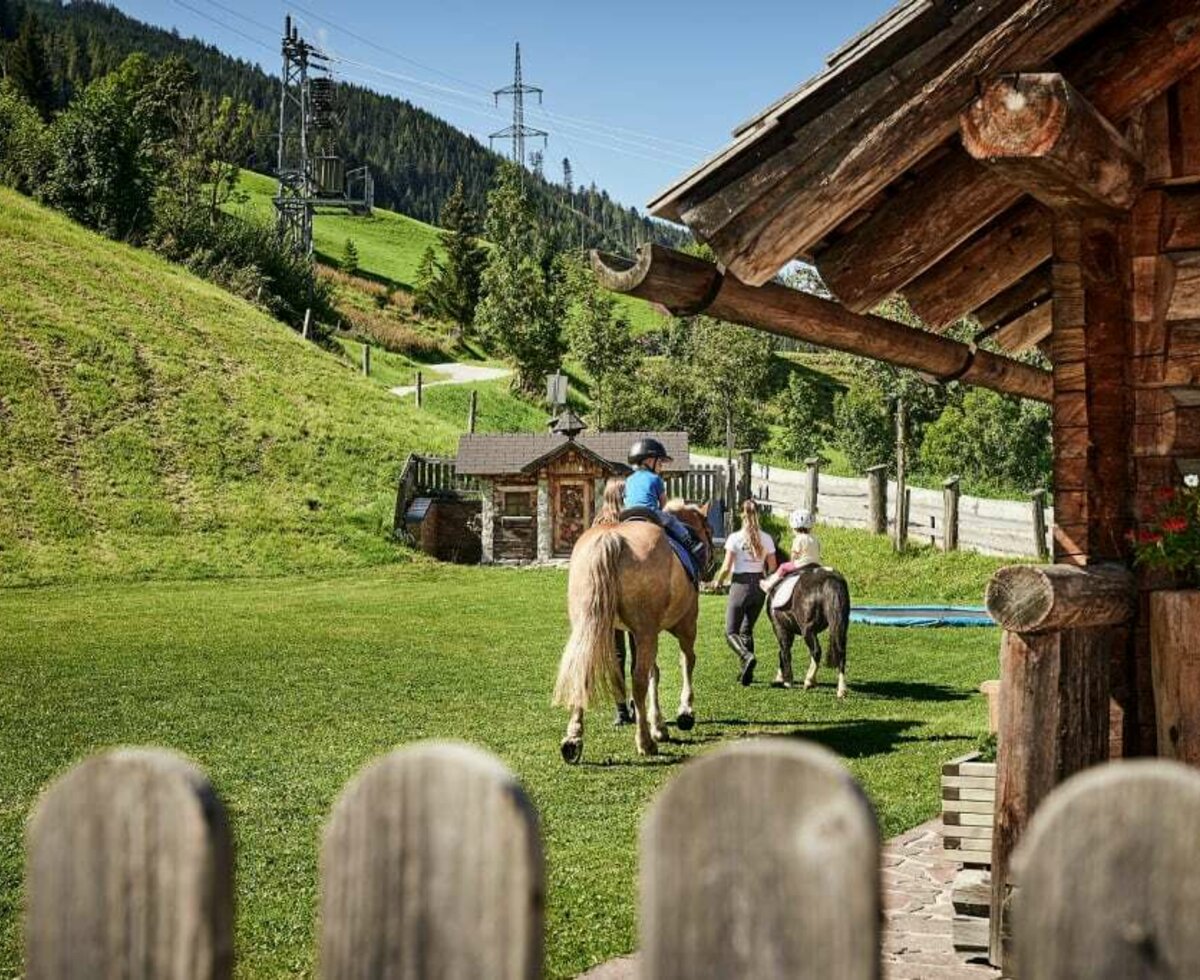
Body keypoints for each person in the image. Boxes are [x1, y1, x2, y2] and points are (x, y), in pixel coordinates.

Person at [711, 498, 777, 685]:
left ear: (742, 514)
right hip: (759, 586)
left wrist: (718, 581)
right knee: (746, 631)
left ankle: (747, 656)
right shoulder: (766, 538)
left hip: (739, 585)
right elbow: (772, 566)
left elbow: (726, 567)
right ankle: (746, 674)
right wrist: (766, 581)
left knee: (731, 632)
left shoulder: (735, 538)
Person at [623, 438, 707, 570]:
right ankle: (689, 542)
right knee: (672, 520)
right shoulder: (656, 478)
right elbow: (664, 505)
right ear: (650, 461)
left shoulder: (628, 479)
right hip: (649, 513)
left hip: (627, 514)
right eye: (660, 462)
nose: (661, 466)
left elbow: (626, 499)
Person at [594, 477, 636, 726]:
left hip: (606, 597)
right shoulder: (631, 526)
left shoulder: (598, 524)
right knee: (641, 649)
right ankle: (637, 703)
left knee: (617, 654)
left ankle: (621, 709)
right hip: (633, 596)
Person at [760, 509, 822, 592]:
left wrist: (791, 562)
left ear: (795, 528)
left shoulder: (798, 539)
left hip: (802, 564)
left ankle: (769, 584)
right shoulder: (815, 538)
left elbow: (794, 555)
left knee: (783, 567)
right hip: (816, 564)